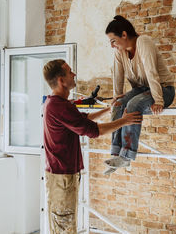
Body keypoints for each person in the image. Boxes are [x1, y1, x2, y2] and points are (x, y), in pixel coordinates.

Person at [42, 59, 142, 233]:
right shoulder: (58, 106)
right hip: (61, 177)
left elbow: (83, 120)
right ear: (61, 80)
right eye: (70, 72)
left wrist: (108, 110)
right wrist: (124, 121)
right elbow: (94, 131)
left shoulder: (60, 103)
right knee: (64, 226)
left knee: (66, 222)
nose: (74, 74)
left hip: (64, 175)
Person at [103, 15, 175, 175]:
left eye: (113, 41)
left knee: (133, 105)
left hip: (163, 90)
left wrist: (158, 100)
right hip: (143, 90)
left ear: (124, 34)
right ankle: (116, 154)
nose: (112, 45)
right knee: (118, 104)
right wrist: (117, 96)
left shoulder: (143, 42)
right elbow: (118, 75)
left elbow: (151, 72)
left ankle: (126, 156)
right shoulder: (119, 52)